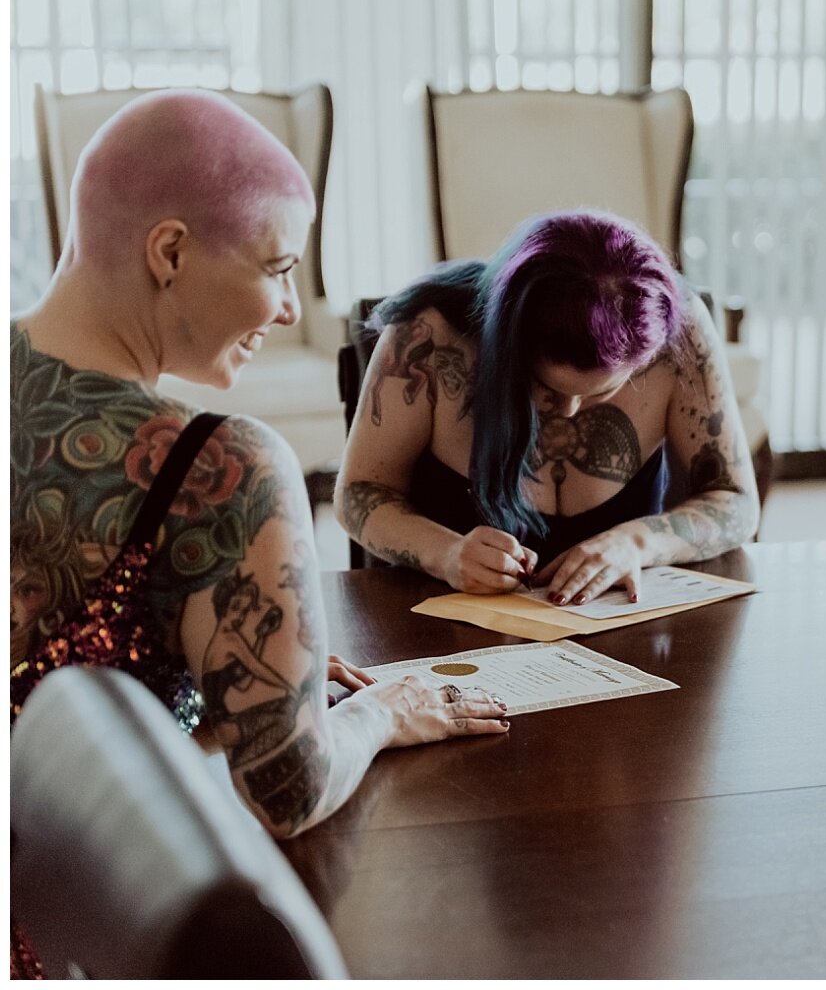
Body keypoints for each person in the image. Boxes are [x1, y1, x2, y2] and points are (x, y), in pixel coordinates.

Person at [11, 89, 511, 976]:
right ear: (169, 251)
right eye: (278, 267)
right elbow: (288, 788)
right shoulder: (223, 470)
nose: (289, 308)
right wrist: (381, 711)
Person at [335, 209, 759, 607]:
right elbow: (359, 492)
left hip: (617, 631)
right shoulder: (428, 336)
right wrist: (445, 554)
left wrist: (637, 543)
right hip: (442, 633)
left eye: (602, 393)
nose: (571, 412)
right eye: (545, 386)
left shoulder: (681, 331)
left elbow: (735, 501)